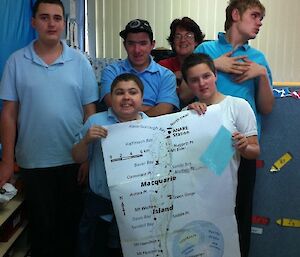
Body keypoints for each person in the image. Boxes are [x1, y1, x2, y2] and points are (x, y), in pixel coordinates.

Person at [0, 0, 99, 256]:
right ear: (33, 22)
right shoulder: (16, 62)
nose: (51, 23)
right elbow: (9, 115)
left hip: (73, 161)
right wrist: (7, 162)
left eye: (57, 18)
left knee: (71, 232)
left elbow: (91, 114)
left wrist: (89, 159)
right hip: (33, 163)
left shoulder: (80, 62)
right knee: (42, 235)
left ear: (64, 23)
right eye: (44, 17)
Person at [194, 1, 274, 256]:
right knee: (204, 212)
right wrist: (214, 65)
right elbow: (184, 93)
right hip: (208, 146)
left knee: (239, 216)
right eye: (255, 16)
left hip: (243, 147)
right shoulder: (206, 49)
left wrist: (261, 74)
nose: (259, 22)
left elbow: (267, 107)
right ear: (236, 14)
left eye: (261, 18)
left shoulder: (258, 59)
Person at [182, 53, 260, 256]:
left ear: (215, 75)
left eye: (206, 76)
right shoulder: (186, 114)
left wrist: (243, 147)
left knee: (230, 245)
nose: (202, 83)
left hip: (227, 194)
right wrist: (190, 117)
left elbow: (255, 151)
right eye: (194, 79)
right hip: (195, 196)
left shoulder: (238, 106)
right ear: (188, 84)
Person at [73, 73, 148, 257]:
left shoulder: (151, 125)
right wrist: (86, 141)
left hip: (139, 212)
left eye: (132, 92)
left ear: (141, 97)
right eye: (119, 92)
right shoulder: (96, 122)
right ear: (111, 97)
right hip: (100, 210)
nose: (126, 98)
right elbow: (76, 157)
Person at [100, 19, 179, 117]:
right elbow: (112, 104)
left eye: (143, 43)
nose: (137, 50)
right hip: (117, 127)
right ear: (125, 45)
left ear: (152, 45)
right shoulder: (111, 71)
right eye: (131, 43)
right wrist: (152, 109)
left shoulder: (166, 75)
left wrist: (128, 108)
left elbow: (164, 110)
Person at [159, 17, 205, 107]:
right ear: (173, 42)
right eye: (178, 36)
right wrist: (172, 77)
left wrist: (183, 75)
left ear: (196, 41)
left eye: (188, 36)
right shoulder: (163, 66)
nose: (183, 40)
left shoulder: (204, 63)